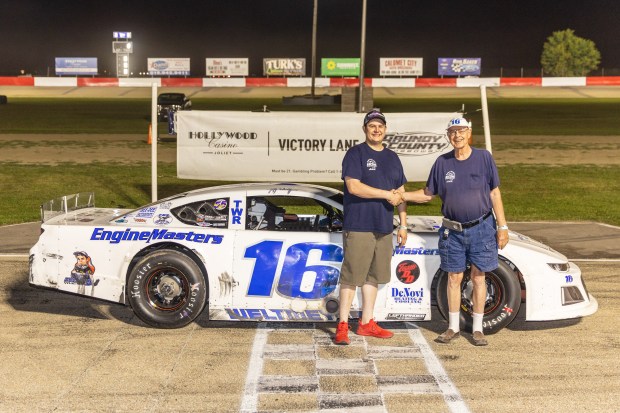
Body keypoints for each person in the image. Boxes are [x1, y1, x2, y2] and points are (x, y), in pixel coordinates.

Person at [401, 117, 509, 346]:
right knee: (453, 278)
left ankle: (478, 330)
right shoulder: (442, 162)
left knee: (479, 277)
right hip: (452, 232)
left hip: (482, 228)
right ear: (448, 136)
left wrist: (503, 226)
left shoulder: (484, 158)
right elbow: (428, 194)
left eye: (461, 131)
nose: (457, 136)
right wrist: (402, 195)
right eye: (452, 132)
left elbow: (495, 194)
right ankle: (452, 328)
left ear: (469, 133)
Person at [335, 109, 413, 345]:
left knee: (373, 277)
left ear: (385, 129)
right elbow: (354, 187)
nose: (377, 130)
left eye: (380, 126)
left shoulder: (392, 157)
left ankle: (367, 323)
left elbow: (400, 194)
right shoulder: (355, 153)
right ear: (365, 129)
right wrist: (385, 194)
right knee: (351, 276)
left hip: (384, 226)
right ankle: (342, 324)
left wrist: (403, 224)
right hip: (359, 224)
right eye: (372, 126)